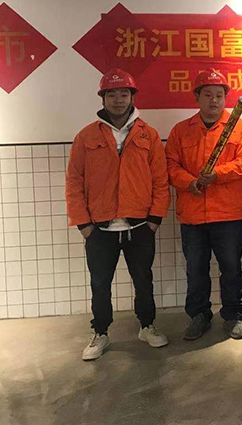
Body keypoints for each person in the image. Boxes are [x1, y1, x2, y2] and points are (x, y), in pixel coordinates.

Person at [66, 68, 170, 361]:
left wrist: (154, 220)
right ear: (103, 98)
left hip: (139, 225)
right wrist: (83, 224)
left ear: (132, 97)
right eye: (112, 94)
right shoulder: (86, 136)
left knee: (143, 280)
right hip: (100, 228)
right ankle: (100, 332)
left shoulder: (148, 134)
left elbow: (160, 180)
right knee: (100, 284)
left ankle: (147, 326)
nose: (118, 100)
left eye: (124, 94)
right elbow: (74, 181)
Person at [165, 70, 242, 340]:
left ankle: (232, 315)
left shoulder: (240, 128)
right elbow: (170, 165)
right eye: (208, 95)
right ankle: (199, 315)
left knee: (231, 268)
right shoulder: (181, 130)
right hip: (193, 214)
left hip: (228, 214)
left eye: (219, 95)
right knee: (196, 270)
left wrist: (218, 174)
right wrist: (190, 182)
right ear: (197, 97)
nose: (214, 100)